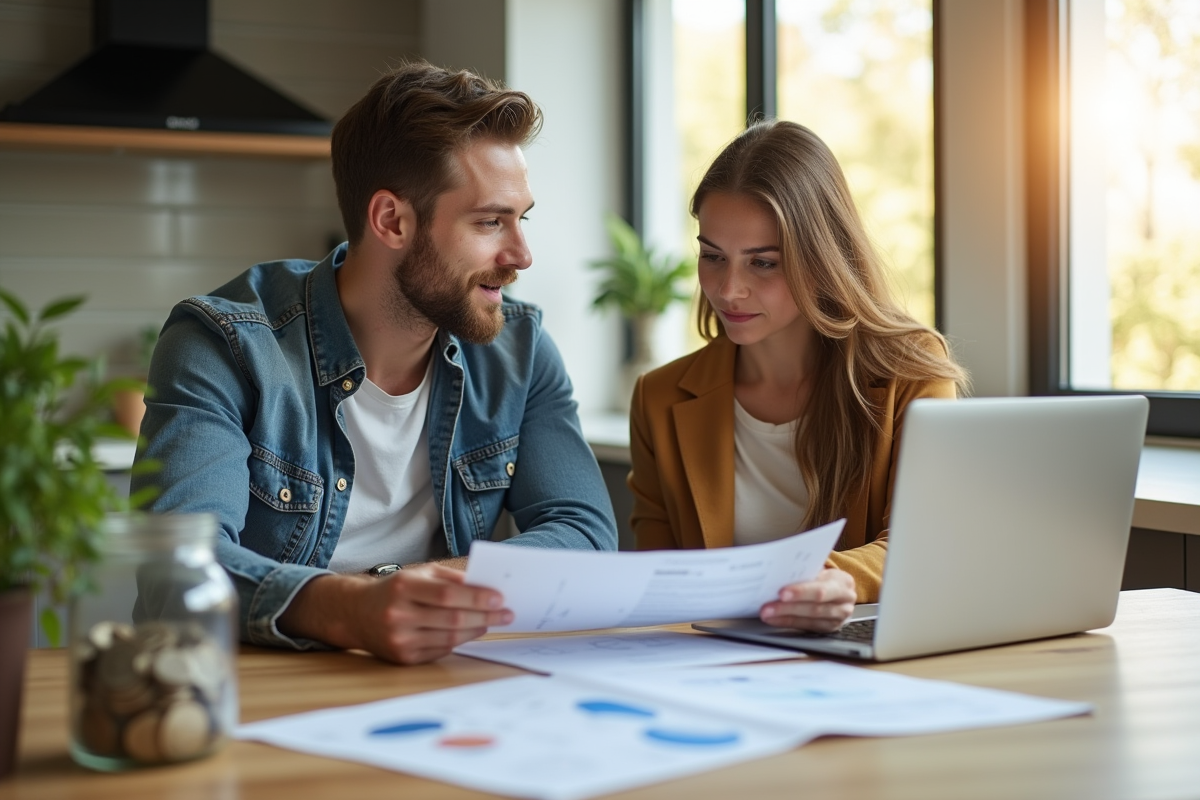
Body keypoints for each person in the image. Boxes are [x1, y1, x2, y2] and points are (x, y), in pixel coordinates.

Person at [133, 62, 617, 665]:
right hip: (257, 688)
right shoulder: (225, 343)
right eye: (491, 221)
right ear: (391, 220)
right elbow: (176, 564)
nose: (521, 255)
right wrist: (353, 608)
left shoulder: (517, 350)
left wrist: (429, 591)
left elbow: (586, 533)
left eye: (523, 219)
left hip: (436, 682)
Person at [628, 120, 968, 633]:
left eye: (763, 263)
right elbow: (660, 578)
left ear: (824, 257)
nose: (729, 289)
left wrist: (838, 580)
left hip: (862, 660)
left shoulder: (911, 373)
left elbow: (924, 541)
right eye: (712, 256)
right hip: (711, 664)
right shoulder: (659, 397)